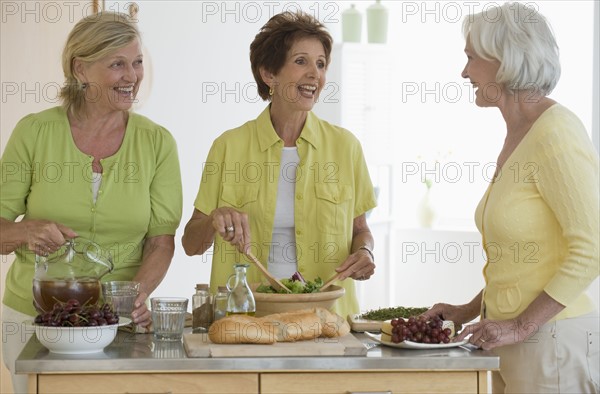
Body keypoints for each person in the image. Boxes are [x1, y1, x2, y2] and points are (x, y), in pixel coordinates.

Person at [0, 12, 182, 393]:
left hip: (120, 324)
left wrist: (134, 296)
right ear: (80, 69)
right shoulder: (34, 131)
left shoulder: (157, 142)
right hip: (35, 320)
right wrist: (25, 231)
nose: (132, 76)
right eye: (117, 64)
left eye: (137, 63)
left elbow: (161, 240)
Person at [422, 3, 599, 393]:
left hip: (552, 344)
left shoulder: (557, 133)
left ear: (505, 60)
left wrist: (520, 326)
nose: (464, 72)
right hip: (510, 345)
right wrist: (469, 309)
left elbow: (591, 250)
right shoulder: (520, 136)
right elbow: (523, 260)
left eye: (471, 57)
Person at [182, 11, 377, 317]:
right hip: (247, 319)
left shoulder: (345, 147)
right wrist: (214, 220)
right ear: (269, 74)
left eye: (321, 63)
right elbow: (191, 244)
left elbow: (360, 230)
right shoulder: (228, 147)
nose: (315, 73)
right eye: (301, 61)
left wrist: (365, 251)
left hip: (328, 319)